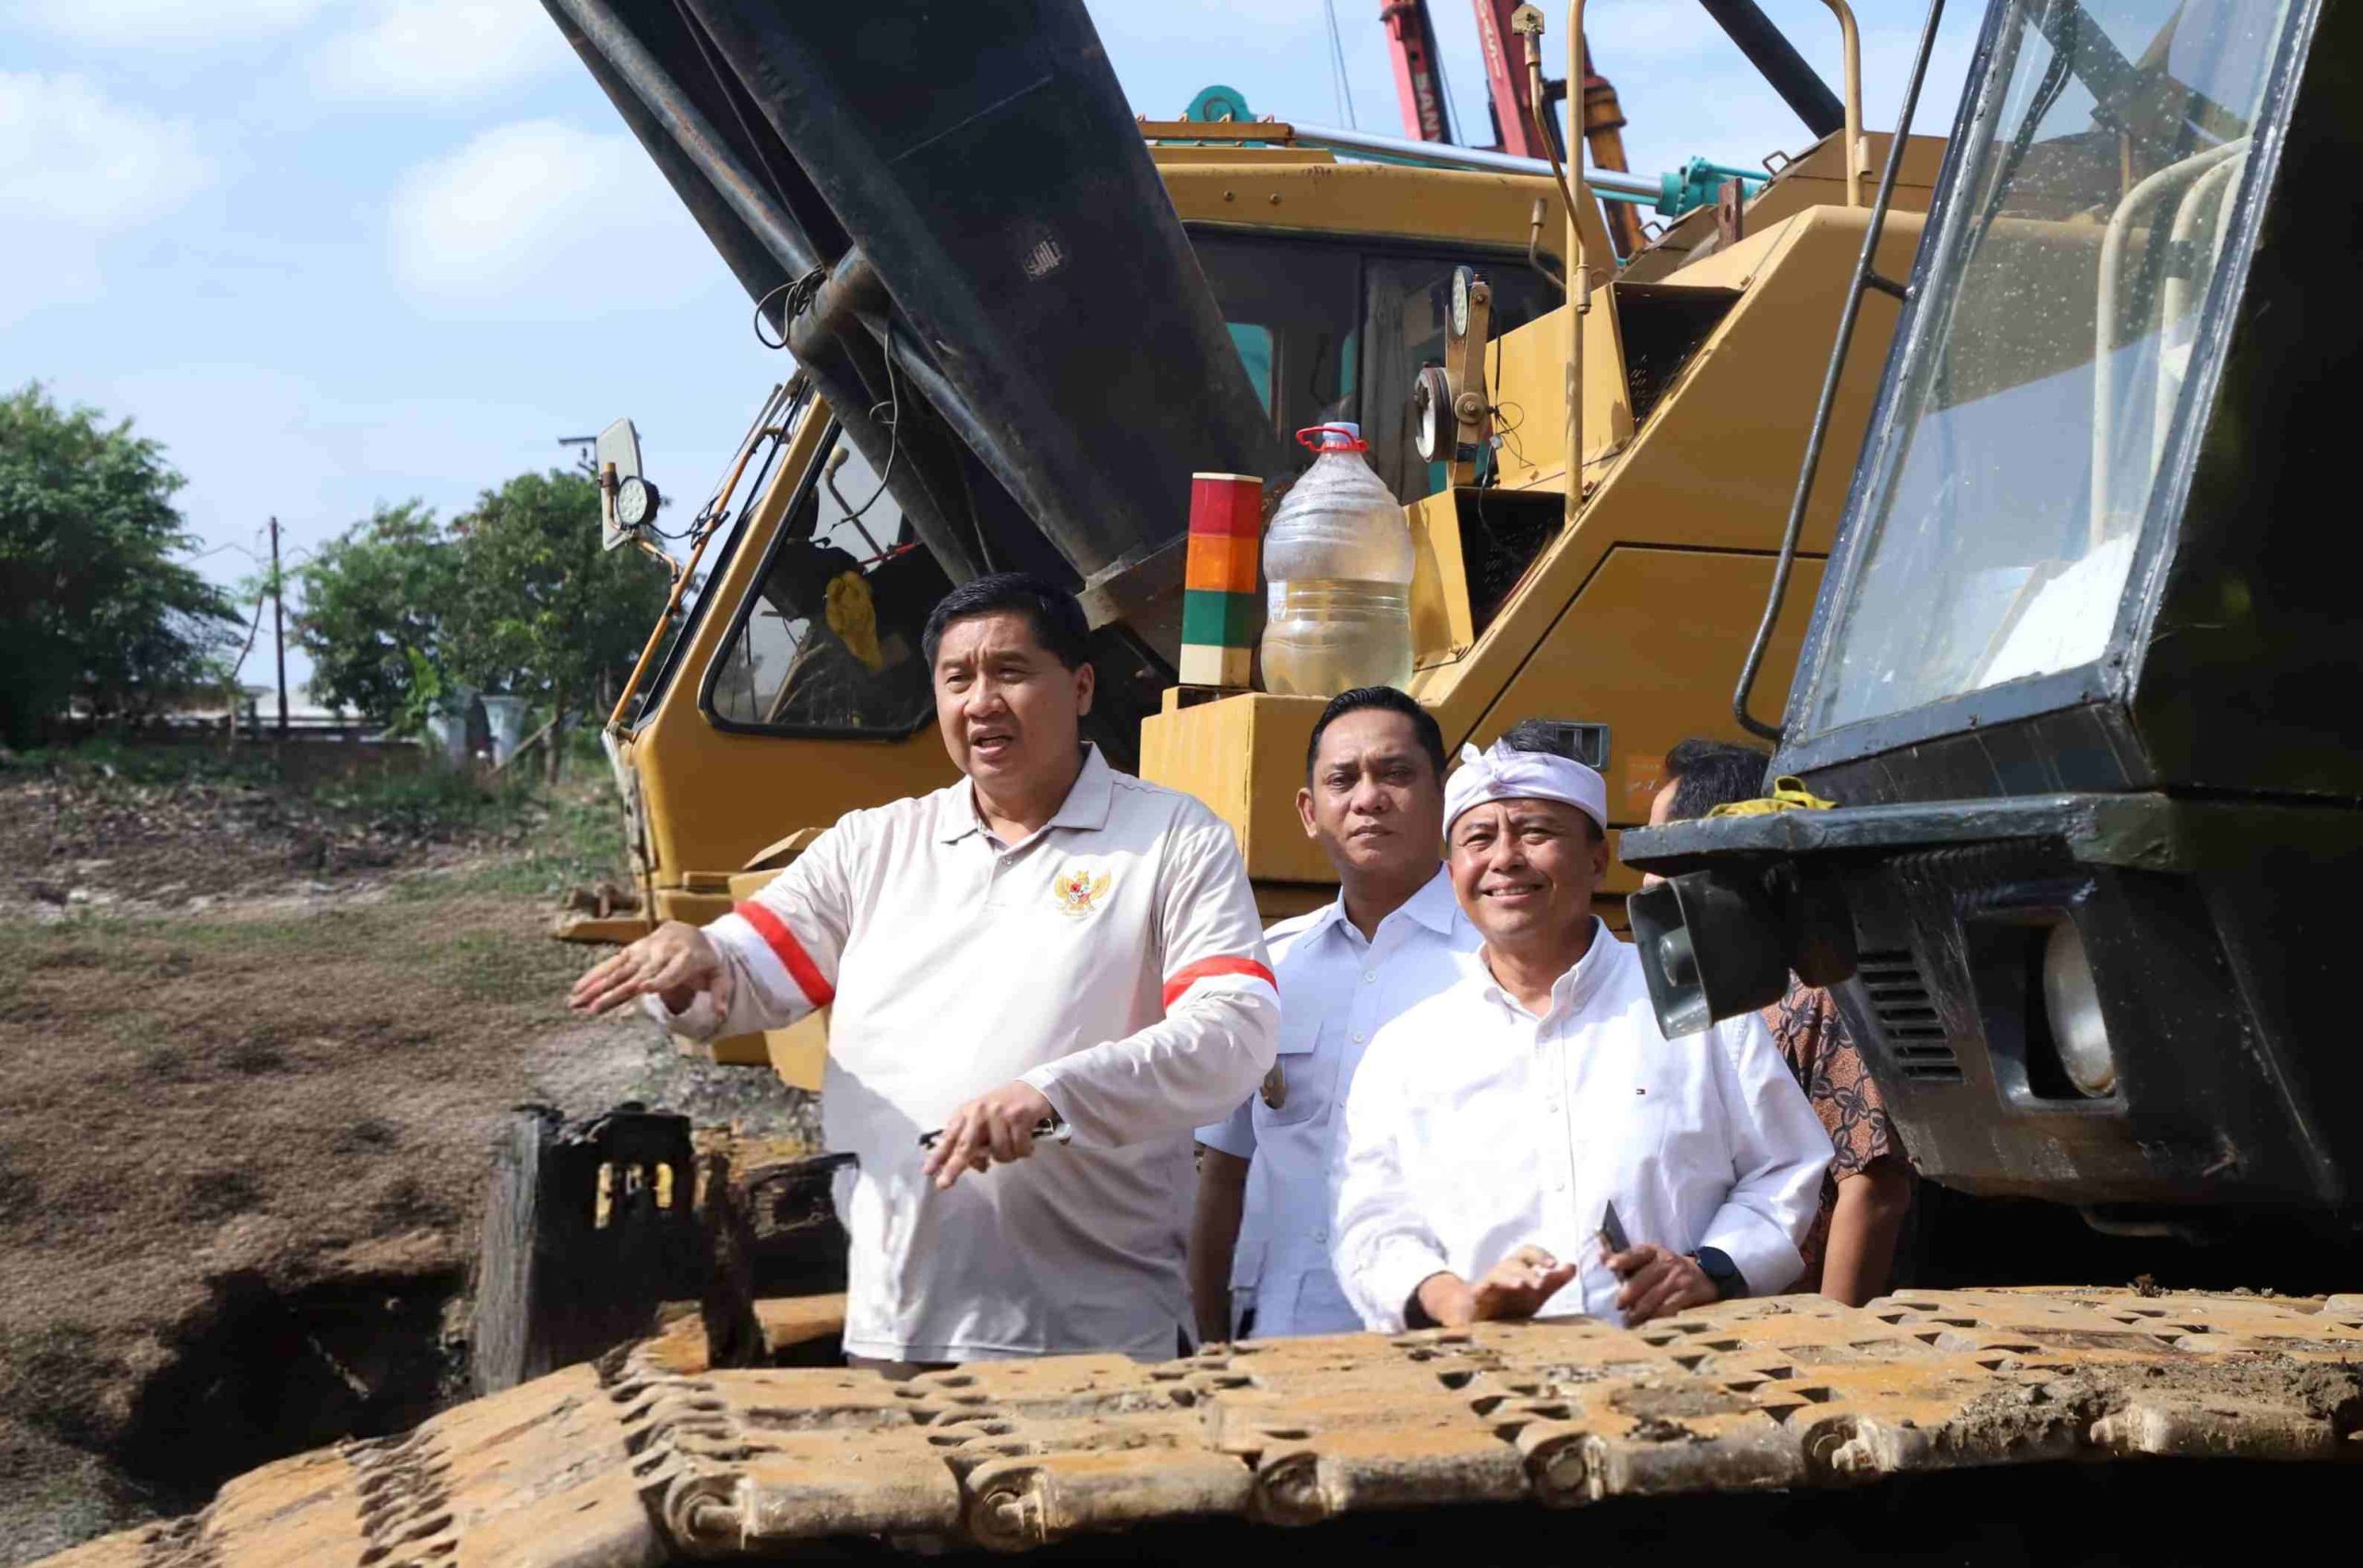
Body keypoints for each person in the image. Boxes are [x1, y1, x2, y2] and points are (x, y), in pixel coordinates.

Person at [570, 572, 1279, 1371]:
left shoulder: (1172, 837)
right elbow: (744, 970)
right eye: (957, 678)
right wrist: (692, 960)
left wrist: (1055, 1095)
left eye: (1010, 671)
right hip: (897, 1329)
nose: (981, 701)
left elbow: (1235, 1031)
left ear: (1081, 686)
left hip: (1096, 1337)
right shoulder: (873, 845)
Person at [1331, 730, 1829, 1331]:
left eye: (1535, 832)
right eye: (1478, 838)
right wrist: (1456, 1301)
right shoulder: (1408, 1048)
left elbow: (1784, 1166)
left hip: (1677, 1364)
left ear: (1598, 859)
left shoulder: (1696, 1007)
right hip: (1484, 1370)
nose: (1505, 858)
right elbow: (1372, 1223)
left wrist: (1710, 1268)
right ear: (1454, 869)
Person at [1189, 687, 1480, 1343]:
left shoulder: (1499, 959)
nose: (1368, 798)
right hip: (1282, 1332)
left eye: (1396, 774)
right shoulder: (1273, 966)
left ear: (1442, 795)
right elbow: (1224, 1172)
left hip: (1444, 1335)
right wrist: (1207, 1340)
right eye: (1342, 780)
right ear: (1309, 810)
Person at [1647, 738, 1913, 1307]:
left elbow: (1872, 1184)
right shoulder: (1688, 989)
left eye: (1659, 849)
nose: (1645, 878)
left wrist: (1834, 1336)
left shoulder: (1814, 988)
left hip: (1790, 1314)